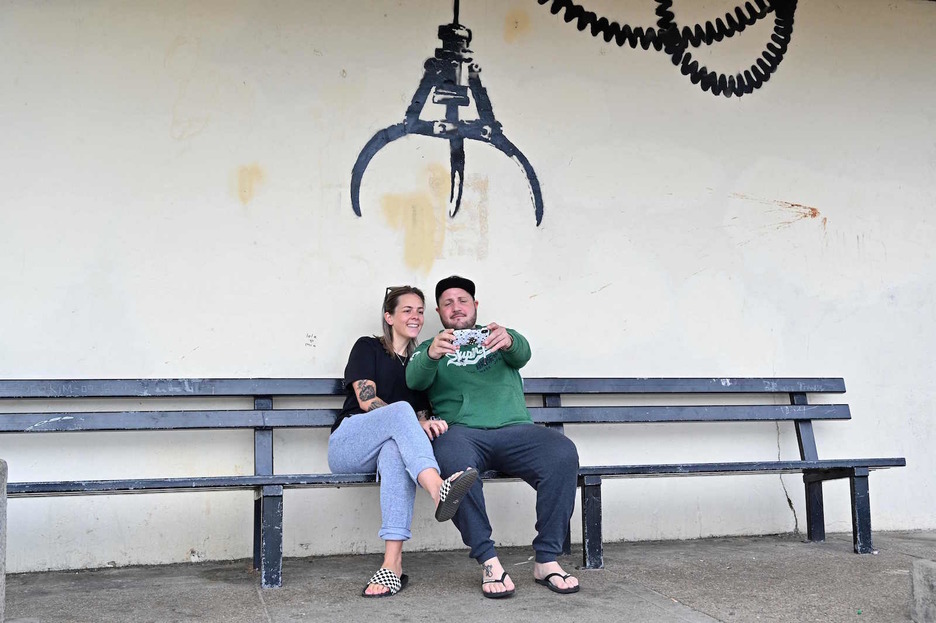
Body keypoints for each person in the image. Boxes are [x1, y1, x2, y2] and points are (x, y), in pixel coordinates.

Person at [406, 276, 580, 598]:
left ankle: (547, 559)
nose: (456, 307)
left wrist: (510, 340)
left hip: (515, 431)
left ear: (475, 305)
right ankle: (488, 560)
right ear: (439, 312)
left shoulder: (499, 337)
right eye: (447, 303)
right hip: (463, 433)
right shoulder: (430, 348)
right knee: (454, 465)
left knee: (562, 452)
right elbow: (414, 381)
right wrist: (431, 354)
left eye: (462, 301)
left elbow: (523, 353)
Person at [328, 285, 478, 598]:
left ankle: (392, 565)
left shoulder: (419, 365)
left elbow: (419, 420)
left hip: (386, 449)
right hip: (350, 442)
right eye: (407, 310)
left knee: (397, 449)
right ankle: (438, 490)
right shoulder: (368, 347)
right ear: (389, 316)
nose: (415, 317)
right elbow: (366, 400)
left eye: (420, 311)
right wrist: (413, 420)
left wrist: (430, 423)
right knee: (400, 414)